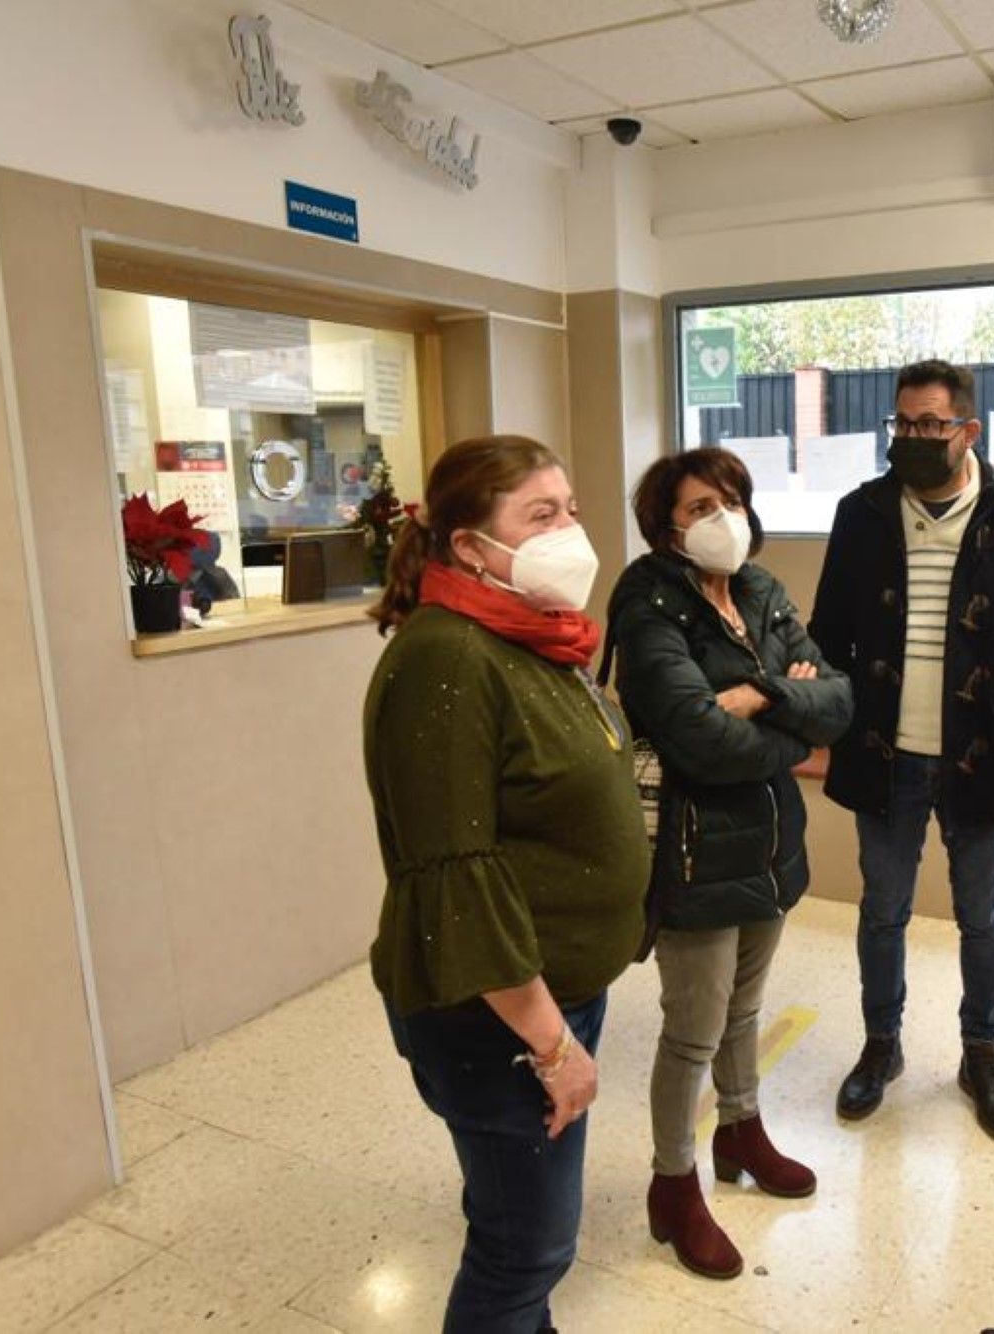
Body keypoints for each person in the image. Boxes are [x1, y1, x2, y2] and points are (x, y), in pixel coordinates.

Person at [362, 436, 647, 1333]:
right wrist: (555, 1049)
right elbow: (457, 884)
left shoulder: (531, 636)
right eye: (541, 515)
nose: (571, 530)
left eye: (569, 508)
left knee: (516, 1217)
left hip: (552, 994)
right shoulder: (447, 659)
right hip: (497, 1018)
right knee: (528, 1247)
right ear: (468, 548)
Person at [809, 358, 994, 1141]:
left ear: (969, 429)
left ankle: (983, 1053)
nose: (915, 438)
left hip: (981, 754)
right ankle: (881, 1045)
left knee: (984, 917)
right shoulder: (862, 513)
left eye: (931, 424)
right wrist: (825, 705)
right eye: (904, 424)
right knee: (883, 912)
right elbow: (828, 634)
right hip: (882, 750)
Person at [606, 448, 851, 1280]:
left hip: (771, 841)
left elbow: (841, 701)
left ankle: (740, 1130)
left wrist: (766, 696)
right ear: (664, 522)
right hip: (693, 847)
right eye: (703, 504)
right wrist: (793, 713)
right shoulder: (646, 601)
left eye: (734, 499)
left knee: (745, 1012)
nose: (725, 516)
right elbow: (698, 744)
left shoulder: (758, 588)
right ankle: (672, 1184)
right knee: (692, 1031)